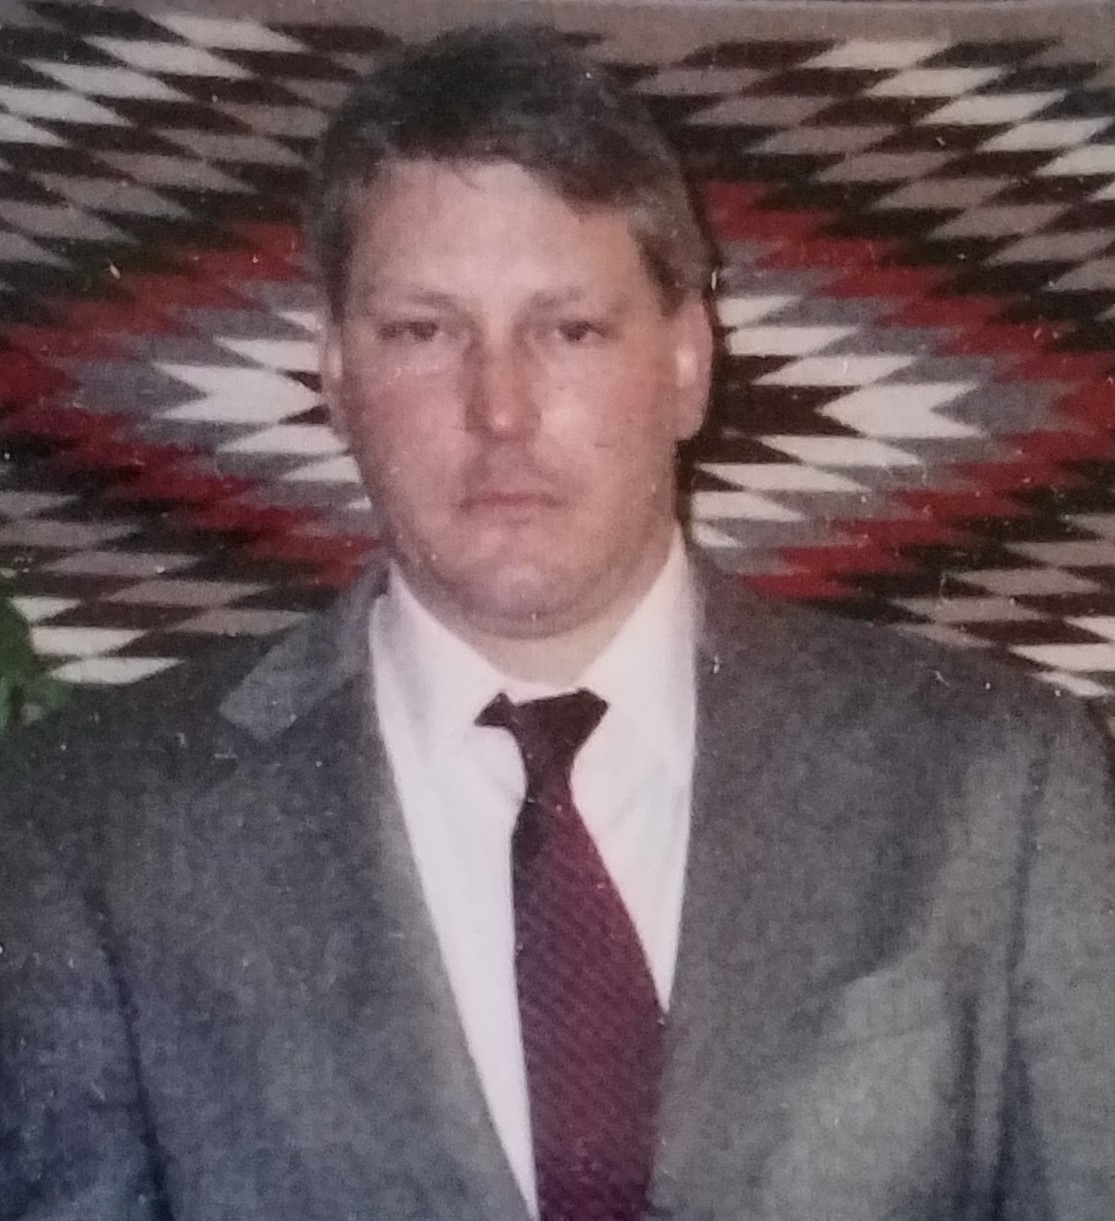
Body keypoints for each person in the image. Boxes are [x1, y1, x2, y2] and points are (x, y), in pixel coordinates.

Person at [1, 23, 1114, 1221]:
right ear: (333, 374)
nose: (501, 408)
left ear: (686, 362)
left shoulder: (997, 784)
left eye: (568, 329)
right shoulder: (87, 823)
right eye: (423, 331)